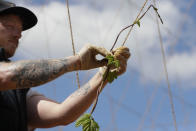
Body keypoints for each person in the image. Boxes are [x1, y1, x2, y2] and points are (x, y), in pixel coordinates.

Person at [0, 1, 130, 131]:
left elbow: (62, 114)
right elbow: (6, 76)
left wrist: (103, 75)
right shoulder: (7, 75)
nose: (18, 34)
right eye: (9, 26)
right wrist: (77, 61)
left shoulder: (18, 92)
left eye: (20, 29)